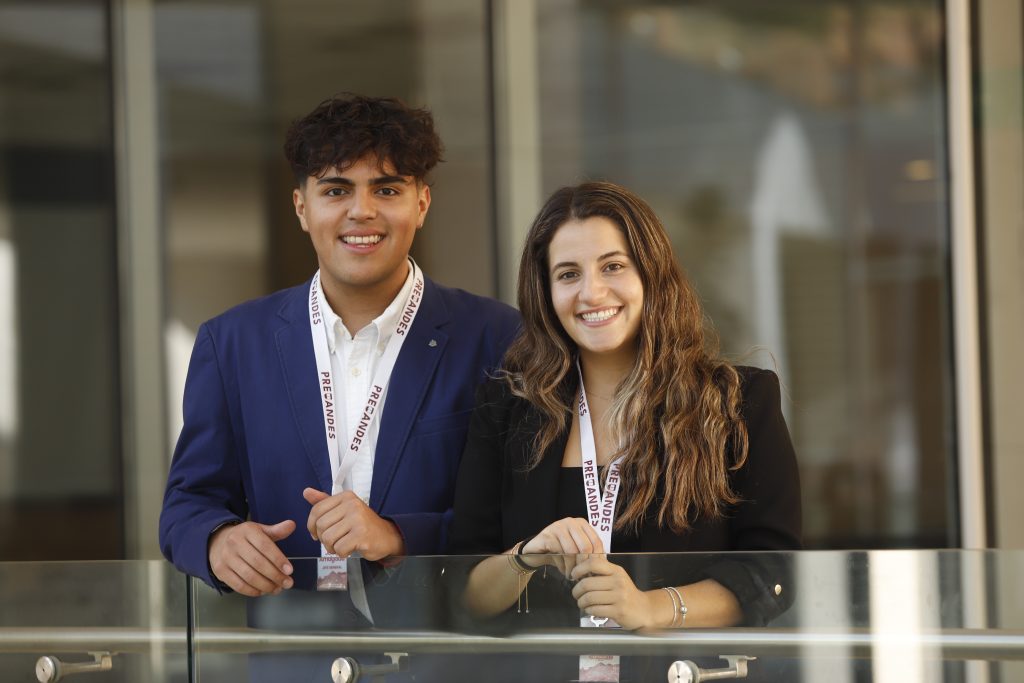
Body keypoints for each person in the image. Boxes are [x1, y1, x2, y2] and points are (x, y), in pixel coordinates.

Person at [159, 93, 520, 599]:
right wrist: (217, 539)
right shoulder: (233, 343)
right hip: (291, 635)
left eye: (386, 189)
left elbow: (519, 515)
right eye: (336, 190)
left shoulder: (499, 337)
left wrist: (398, 536)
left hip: (440, 636)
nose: (362, 211)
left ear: (421, 204)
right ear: (302, 208)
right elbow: (187, 505)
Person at [449, 181, 801, 638]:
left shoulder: (738, 403)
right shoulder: (505, 411)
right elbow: (462, 593)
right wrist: (524, 558)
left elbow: (772, 573)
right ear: (546, 292)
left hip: (678, 669)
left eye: (612, 266)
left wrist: (652, 607)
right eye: (568, 274)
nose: (592, 293)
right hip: (547, 669)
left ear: (651, 274)